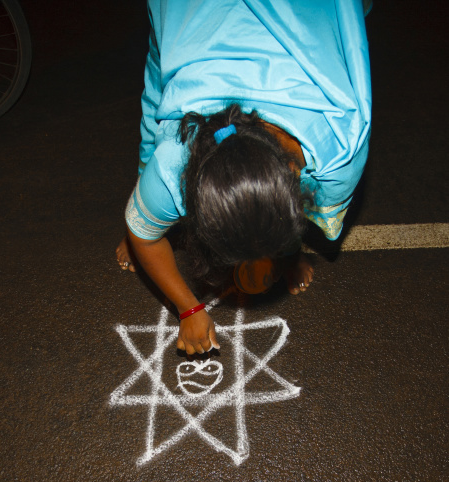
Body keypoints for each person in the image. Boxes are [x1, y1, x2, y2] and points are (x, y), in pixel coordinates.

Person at [116, 0, 372, 355]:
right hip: (184, 16)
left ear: (296, 178)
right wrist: (188, 307)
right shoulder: (173, 164)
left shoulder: (340, 152)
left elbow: (307, 211)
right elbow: (145, 238)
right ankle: (144, 207)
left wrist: (289, 255)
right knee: (158, 92)